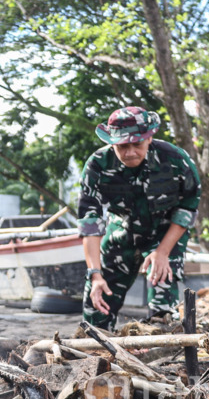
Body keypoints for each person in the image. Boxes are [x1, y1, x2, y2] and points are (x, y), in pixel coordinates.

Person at [79, 106, 201, 329]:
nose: (130, 152)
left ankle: (160, 353)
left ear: (149, 137)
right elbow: (90, 223)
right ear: (112, 142)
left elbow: (188, 209)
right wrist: (95, 274)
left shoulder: (176, 160)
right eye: (122, 146)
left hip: (166, 231)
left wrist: (163, 252)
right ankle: (98, 349)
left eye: (137, 144)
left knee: (162, 309)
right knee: (96, 305)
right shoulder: (97, 165)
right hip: (122, 229)